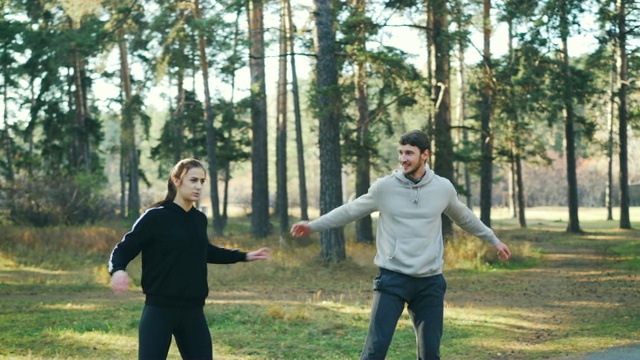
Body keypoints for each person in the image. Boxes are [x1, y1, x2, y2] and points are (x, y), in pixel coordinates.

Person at [290, 130, 511, 360]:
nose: (403, 158)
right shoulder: (384, 188)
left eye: (409, 153)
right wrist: (313, 226)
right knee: (374, 351)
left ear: (425, 155)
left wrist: (493, 240)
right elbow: (349, 211)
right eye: (401, 153)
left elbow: (465, 217)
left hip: (430, 282)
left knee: (430, 355)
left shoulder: (442, 188)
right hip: (392, 280)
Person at [108, 158, 271, 360]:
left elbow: (205, 251)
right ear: (176, 180)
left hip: (193, 312)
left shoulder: (198, 219)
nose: (198, 186)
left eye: (202, 181)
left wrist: (244, 256)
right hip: (160, 310)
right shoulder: (155, 217)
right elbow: (124, 248)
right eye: (193, 180)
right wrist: (117, 270)